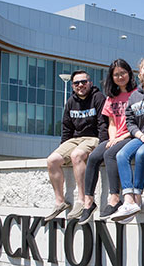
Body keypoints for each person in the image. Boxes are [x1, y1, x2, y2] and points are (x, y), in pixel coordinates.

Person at [75, 59, 137, 225]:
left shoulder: (136, 93)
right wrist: (112, 138)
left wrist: (119, 138)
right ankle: (88, 202)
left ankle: (115, 198)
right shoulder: (112, 97)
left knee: (110, 154)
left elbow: (138, 123)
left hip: (131, 136)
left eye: (123, 73)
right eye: (116, 74)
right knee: (94, 157)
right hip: (116, 136)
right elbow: (111, 123)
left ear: (129, 73)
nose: (120, 76)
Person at [109, 57, 144, 223]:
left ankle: (137, 196)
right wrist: (140, 135)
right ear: (139, 72)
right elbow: (130, 121)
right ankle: (128, 199)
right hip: (141, 136)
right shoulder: (134, 96)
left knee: (142, 154)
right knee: (121, 155)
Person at [43, 70, 106, 222]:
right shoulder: (71, 101)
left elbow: (103, 123)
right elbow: (67, 128)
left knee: (76, 155)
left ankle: (82, 200)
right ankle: (60, 202)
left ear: (90, 83)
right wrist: (63, 149)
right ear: (72, 86)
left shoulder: (98, 97)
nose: (80, 85)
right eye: (77, 83)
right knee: (52, 160)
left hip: (93, 138)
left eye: (84, 82)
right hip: (75, 139)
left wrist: (103, 145)